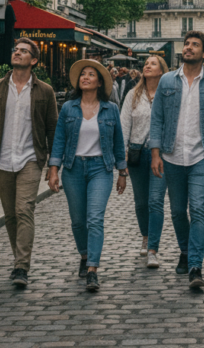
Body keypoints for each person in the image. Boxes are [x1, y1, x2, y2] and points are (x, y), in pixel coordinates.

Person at [0, 38, 57, 288]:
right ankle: (18, 258)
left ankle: (21, 266)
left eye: (23, 51)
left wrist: (54, 165)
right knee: (10, 215)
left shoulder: (45, 91)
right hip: (2, 158)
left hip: (30, 158)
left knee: (24, 209)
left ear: (34, 61)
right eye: (15, 50)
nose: (17, 53)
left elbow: (53, 129)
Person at [149, 30, 204, 289]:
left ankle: (195, 265)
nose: (189, 47)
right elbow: (157, 118)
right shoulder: (166, 81)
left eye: (195, 45)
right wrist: (155, 153)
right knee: (176, 211)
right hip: (172, 155)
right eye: (186, 44)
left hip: (201, 156)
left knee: (197, 209)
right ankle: (185, 250)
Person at [47, 59, 126, 292]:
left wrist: (122, 171)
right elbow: (59, 140)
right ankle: (84, 254)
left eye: (91, 74)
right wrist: (53, 169)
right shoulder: (69, 108)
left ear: (99, 82)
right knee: (78, 221)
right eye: (83, 74)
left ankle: (92, 268)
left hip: (101, 168)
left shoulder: (110, 109)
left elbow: (118, 142)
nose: (85, 77)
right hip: (73, 168)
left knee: (94, 218)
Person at [120, 55, 170, 268]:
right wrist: (121, 155)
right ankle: (145, 236)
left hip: (162, 155)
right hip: (137, 153)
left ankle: (153, 249)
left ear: (161, 70)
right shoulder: (133, 94)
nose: (147, 66)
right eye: (146, 63)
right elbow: (124, 125)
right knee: (141, 202)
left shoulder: (168, 94)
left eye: (152, 63)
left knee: (155, 201)